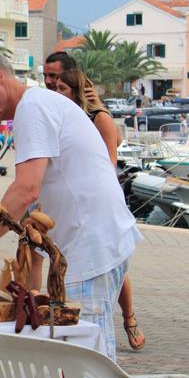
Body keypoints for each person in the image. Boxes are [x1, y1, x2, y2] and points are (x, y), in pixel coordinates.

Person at [0, 45, 141, 361]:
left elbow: (26, 188)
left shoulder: (33, 108)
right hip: (91, 242)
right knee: (82, 356)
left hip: (91, 244)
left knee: (86, 361)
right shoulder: (38, 105)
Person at [56, 69, 146, 351]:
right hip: (75, 212)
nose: (57, 92)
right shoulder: (62, 119)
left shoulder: (99, 118)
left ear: (78, 90)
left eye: (62, 88)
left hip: (101, 206)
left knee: (113, 264)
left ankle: (129, 319)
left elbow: (107, 164)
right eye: (54, 86)